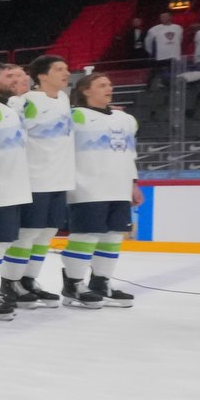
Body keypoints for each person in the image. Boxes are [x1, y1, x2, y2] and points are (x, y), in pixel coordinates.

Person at [65, 70, 138, 307]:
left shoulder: (125, 119)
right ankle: (73, 284)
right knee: (85, 235)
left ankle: (101, 282)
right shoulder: (74, 116)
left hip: (119, 187)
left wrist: (133, 184)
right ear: (85, 90)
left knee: (113, 236)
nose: (109, 88)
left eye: (109, 84)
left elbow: (130, 153)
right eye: (102, 85)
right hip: (86, 186)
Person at [10, 54, 75, 307]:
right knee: (28, 233)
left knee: (47, 233)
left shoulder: (64, 99)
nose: (66, 72)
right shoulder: (25, 101)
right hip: (35, 178)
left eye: (66, 68)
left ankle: (29, 279)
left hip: (60, 178)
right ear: (41, 76)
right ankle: (11, 281)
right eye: (59, 69)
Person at [0, 61, 33, 319]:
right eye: (8, 75)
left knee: (0, 244)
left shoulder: (9, 108)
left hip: (13, 186)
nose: (16, 80)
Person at [144, 9, 182, 85]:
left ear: (170, 17)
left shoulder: (178, 28)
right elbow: (147, 42)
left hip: (174, 56)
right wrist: (151, 52)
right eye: (161, 17)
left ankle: (170, 88)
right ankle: (149, 88)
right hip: (161, 56)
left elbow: (180, 40)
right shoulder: (154, 29)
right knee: (155, 74)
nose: (163, 18)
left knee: (173, 75)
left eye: (165, 16)